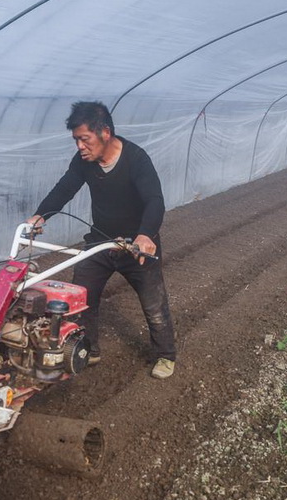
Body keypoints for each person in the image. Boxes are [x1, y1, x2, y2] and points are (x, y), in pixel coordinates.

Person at [25, 101, 177, 379]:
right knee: (82, 297)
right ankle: (87, 349)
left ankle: (166, 355)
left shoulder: (136, 159)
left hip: (136, 246)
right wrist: (40, 217)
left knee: (153, 304)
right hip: (100, 241)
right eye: (76, 140)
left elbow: (155, 200)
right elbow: (65, 188)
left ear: (104, 132)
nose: (80, 146)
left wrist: (145, 234)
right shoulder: (84, 162)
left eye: (84, 139)